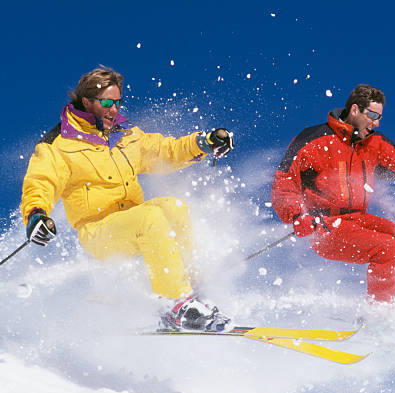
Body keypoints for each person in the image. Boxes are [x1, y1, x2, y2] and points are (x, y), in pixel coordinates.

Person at [20, 66, 235, 332]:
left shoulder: (126, 134)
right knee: (151, 217)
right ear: (87, 102)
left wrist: (203, 142)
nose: (113, 109)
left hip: (132, 219)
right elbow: (41, 181)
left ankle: (192, 294)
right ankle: (176, 305)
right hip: (98, 231)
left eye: (117, 102)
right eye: (107, 102)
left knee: (174, 207)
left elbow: (165, 151)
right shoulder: (60, 143)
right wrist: (36, 214)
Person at [271, 84, 395, 343]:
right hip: (324, 223)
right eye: (372, 115)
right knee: (385, 248)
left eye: (380, 117)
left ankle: (393, 311)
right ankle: (379, 321)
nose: (375, 123)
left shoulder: (374, 143)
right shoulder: (315, 139)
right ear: (354, 110)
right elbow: (285, 181)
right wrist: (296, 215)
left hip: (355, 218)